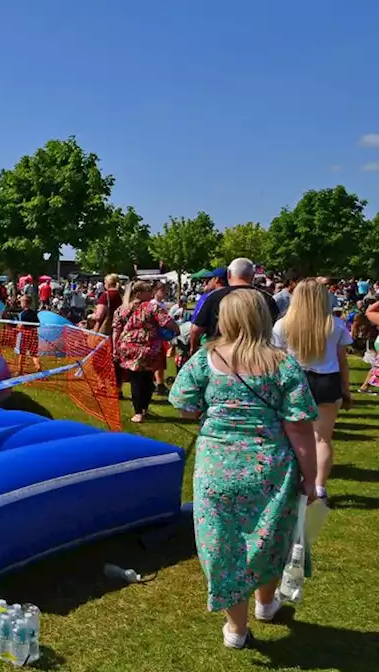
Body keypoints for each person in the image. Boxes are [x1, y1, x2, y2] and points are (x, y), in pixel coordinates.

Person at [168, 290, 318, 650]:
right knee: (270, 536)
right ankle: (266, 603)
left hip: (216, 468)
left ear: (225, 318)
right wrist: (312, 477)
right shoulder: (283, 364)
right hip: (269, 468)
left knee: (223, 545)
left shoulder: (206, 358)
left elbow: (184, 407)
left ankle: (236, 629)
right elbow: (299, 426)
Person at [272, 279, 351, 503]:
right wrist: (346, 390)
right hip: (328, 382)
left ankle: (293, 483)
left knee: (292, 436)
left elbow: (277, 362)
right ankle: (319, 488)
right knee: (322, 439)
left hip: (296, 382)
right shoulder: (335, 325)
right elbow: (342, 361)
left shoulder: (282, 325)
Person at [113, 281, 178, 423]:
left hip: (127, 348)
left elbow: (116, 330)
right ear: (139, 293)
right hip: (148, 349)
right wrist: (177, 329)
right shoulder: (152, 307)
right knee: (147, 380)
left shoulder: (122, 309)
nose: (152, 293)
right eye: (149, 291)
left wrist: (115, 347)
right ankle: (143, 409)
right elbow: (167, 322)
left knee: (135, 380)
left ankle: (138, 411)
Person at [190, 258, 280, 355]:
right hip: (257, 357)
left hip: (220, 357)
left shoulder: (214, 297)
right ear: (253, 275)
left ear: (229, 274)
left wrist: (193, 348)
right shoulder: (266, 298)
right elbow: (276, 330)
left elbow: (196, 329)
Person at [16, 295, 42, 372]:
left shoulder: (22, 314)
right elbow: (38, 324)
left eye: (21, 302)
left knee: (22, 353)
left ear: (25, 303)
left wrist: (17, 327)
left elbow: (20, 326)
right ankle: (39, 370)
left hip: (25, 334)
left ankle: (20, 370)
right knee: (34, 354)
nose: (20, 303)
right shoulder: (34, 313)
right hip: (34, 334)